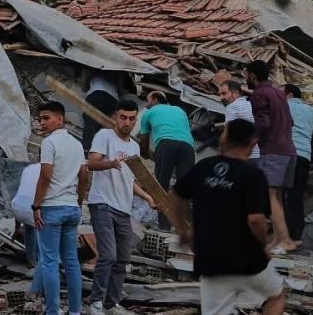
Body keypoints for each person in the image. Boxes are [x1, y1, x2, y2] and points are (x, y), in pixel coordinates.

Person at [169, 119, 285, 315]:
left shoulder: (204, 167)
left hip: (211, 261)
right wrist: (264, 245)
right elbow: (255, 219)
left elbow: (175, 197)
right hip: (248, 261)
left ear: (225, 138)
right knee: (276, 296)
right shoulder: (253, 175)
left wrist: (183, 229)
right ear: (252, 143)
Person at [86, 100, 157, 315]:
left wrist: (147, 197)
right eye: (123, 117)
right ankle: (96, 302)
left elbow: (130, 180)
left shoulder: (134, 147)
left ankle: (111, 303)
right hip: (102, 203)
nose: (127, 122)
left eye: (131, 118)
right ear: (116, 117)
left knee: (123, 259)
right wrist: (111, 163)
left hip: (123, 208)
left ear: (136, 120)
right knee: (107, 255)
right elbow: (91, 162)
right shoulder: (104, 136)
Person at [31, 101, 88, 315]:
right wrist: (79, 201)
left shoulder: (49, 143)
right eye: (40, 118)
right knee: (72, 262)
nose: (42, 122)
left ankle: (53, 311)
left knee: (49, 262)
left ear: (60, 119)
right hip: (71, 207)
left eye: (46, 118)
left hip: (51, 208)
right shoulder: (76, 144)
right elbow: (84, 176)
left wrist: (36, 205)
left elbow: (45, 176)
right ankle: (75, 310)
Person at [246, 60, 297, 252]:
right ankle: (277, 241)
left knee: (271, 197)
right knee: (277, 197)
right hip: (290, 151)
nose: (246, 78)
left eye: (246, 74)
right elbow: (290, 121)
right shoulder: (279, 93)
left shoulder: (259, 94)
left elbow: (263, 122)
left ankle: (285, 241)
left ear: (252, 75)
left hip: (274, 152)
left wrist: (252, 141)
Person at [138, 91, 195, 230]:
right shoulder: (179, 110)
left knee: (161, 188)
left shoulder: (148, 113)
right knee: (185, 189)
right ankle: (185, 229)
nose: (146, 104)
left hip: (166, 145)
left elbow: (143, 139)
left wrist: (144, 154)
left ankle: (164, 227)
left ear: (155, 100)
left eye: (148, 101)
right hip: (188, 147)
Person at [283, 84, 313, 244]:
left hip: (287, 155)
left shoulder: (283, 105)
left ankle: (280, 235)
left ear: (288, 94)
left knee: (278, 195)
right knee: (296, 196)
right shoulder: (310, 110)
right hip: (304, 157)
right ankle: (295, 236)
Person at [11, 162, 42, 268]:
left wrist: (17, 227)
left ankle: (31, 259)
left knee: (29, 226)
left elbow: (23, 194)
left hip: (17, 208)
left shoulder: (29, 168)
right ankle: (39, 261)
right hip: (33, 211)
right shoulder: (51, 170)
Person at [219, 80, 259, 159]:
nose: (221, 98)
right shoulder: (249, 104)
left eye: (224, 93)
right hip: (257, 153)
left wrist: (221, 153)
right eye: (220, 94)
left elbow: (227, 132)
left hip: (242, 155)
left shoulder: (232, 106)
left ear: (236, 93)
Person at [82, 71, 122, 151]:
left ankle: (86, 149)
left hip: (96, 94)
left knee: (90, 122)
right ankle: (100, 151)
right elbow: (120, 88)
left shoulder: (93, 71)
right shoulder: (118, 73)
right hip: (112, 99)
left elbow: (84, 87)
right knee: (104, 124)